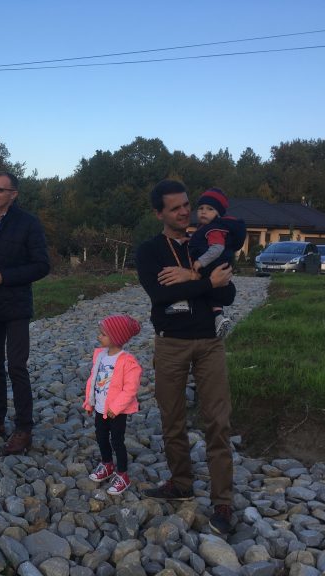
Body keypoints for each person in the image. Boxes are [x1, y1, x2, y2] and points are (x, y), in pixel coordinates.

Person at [135, 179, 237, 535]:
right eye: (175, 208)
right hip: (171, 343)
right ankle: (181, 483)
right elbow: (160, 295)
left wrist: (190, 276)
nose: (184, 212)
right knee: (172, 419)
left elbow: (229, 292)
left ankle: (222, 501)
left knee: (218, 421)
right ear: (159, 213)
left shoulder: (207, 242)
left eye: (186, 205)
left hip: (209, 343)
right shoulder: (149, 251)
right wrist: (206, 282)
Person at [0, 171, 50, 455]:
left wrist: (4, 276)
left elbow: (41, 265)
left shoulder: (28, 223)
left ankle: (24, 428)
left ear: (13, 194)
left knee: (16, 366)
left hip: (16, 305)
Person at [84, 315, 143, 496]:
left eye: (103, 334)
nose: (99, 337)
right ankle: (107, 464)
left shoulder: (127, 361)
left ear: (116, 338)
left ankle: (123, 474)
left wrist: (115, 408)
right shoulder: (100, 356)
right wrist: (89, 402)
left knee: (117, 441)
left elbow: (130, 389)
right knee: (101, 437)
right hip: (100, 408)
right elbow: (93, 380)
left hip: (116, 412)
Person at [188, 187, 246, 338]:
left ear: (218, 213)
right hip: (215, 267)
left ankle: (183, 302)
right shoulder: (205, 228)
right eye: (201, 208)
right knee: (212, 292)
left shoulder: (215, 229)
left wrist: (200, 262)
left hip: (212, 265)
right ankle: (218, 316)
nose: (203, 212)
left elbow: (217, 248)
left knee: (198, 282)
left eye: (210, 209)